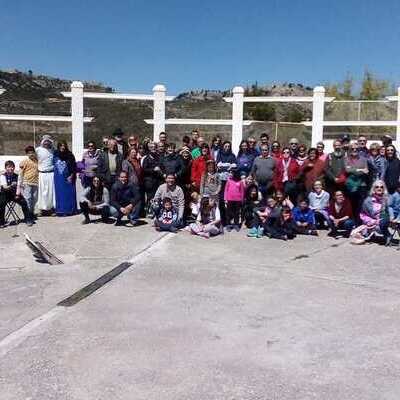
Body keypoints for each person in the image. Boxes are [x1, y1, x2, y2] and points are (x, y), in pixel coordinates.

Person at [0, 160, 33, 228]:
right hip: (5, 194)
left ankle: (28, 219)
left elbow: (19, 186)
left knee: (24, 202)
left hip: (15, 194)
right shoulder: (3, 176)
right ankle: (1, 222)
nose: (11, 168)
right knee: (1, 204)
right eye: (8, 167)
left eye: (12, 167)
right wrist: (12, 185)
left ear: (14, 168)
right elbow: (5, 187)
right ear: (5, 168)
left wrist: (18, 194)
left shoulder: (17, 176)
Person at [344, 142, 369, 221]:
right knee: (351, 204)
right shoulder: (346, 159)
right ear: (349, 150)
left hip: (361, 185)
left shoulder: (364, 159)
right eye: (352, 149)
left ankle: (359, 221)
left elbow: (367, 171)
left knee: (360, 204)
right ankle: (352, 221)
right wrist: (360, 170)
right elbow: (347, 170)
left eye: (356, 149)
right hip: (350, 185)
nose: (354, 150)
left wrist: (353, 170)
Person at [53, 141, 77, 216]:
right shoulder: (55, 154)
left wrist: (72, 175)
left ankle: (70, 210)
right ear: (58, 146)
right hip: (58, 179)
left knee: (69, 194)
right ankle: (60, 211)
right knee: (60, 195)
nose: (62, 147)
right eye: (61, 145)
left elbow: (74, 166)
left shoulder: (70, 155)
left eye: (64, 145)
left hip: (68, 177)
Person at [216, 141, 237, 224]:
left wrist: (224, 166)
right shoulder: (219, 154)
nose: (227, 148)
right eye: (225, 146)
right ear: (223, 147)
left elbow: (235, 166)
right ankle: (222, 219)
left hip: (229, 181)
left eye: (228, 146)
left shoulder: (232, 156)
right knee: (221, 200)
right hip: (220, 181)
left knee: (229, 200)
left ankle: (229, 219)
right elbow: (218, 166)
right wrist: (228, 165)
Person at [17, 145, 38, 221]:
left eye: (32, 152)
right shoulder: (24, 162)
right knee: (28, 199)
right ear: (27, 154)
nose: (31, 154)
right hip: (27, 183)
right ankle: (28, 215)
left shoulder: (36, 160)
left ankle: (32, 213)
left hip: (35, 183)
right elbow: (21, 173)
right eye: (29, 153)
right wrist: (20, 183)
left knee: (35, 199)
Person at [36, 135, 55, 215]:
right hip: (41, 174)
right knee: (42, 192)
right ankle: (42, 210)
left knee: (51, 193)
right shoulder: (37, 150)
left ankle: (51, 209)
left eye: (48, 141)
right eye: (45, 141)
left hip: (51, 174)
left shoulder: (53, 150)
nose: (47, 143)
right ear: (43, 141)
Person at [142, 142, 163, 216]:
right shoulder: (146, 158)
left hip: (157, 180)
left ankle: (156, 211)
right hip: (149, 181)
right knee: (150, 197)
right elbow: (144, 169)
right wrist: (153, 169)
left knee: (157, 196)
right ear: (149, 148)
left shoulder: (158, 157)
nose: (153, 148)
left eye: (154, 147)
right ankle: (149, 211)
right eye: (151, 147)